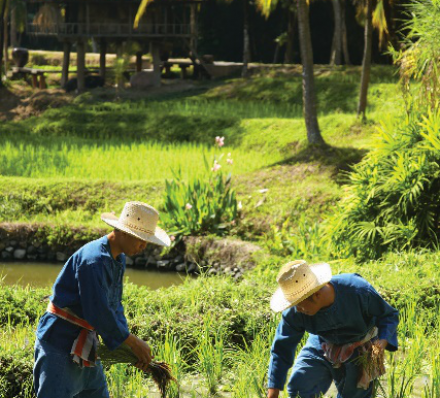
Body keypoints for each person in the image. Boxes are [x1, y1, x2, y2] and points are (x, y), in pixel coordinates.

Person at [33, 201, 171, 398]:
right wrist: (132, 342)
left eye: (146, 240)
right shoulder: (93, 260)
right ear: (123, 232)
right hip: (61, 343)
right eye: (140, 239)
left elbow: (115, 307)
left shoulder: (118, 258)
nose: (143, 246)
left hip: (86, 347)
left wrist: (129, 347)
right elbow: (97, 312)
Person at [267, 260, 399, 398]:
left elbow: (388, 316)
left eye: (299, 305)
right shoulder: (295, 312)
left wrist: (380, 344)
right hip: (322, 341)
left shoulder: (358, 291)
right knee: (299, 387)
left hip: (361, 343)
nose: (297, 309)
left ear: (316, 295)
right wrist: (273, 392)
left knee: (355, 394)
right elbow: (282, 349)